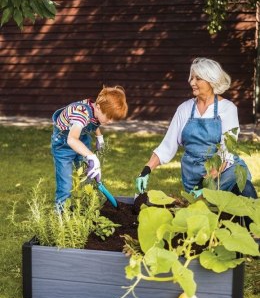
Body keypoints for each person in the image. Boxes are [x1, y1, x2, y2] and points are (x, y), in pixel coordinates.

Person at [136, 57, 257, 200]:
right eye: (191, 78)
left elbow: (226, 153)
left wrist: (206, 184)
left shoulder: (227, 109)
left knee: (247, 193)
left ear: (211, 81)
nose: (192, 82)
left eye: (198, 79)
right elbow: (167, 146)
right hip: (194, 177)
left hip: (224, 174)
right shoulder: (185, 109)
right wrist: (146, 170)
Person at [51, 85, 128, 210]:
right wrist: (91, 156)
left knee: (88, 178)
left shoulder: (95, 108)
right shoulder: (80, 113)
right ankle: (61, 217)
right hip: (64, 146)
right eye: (109, 117)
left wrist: (99, 137)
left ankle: (87, 211)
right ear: (98, 107)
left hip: (81, 141)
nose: (110, 121)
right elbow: (72, 139)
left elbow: (94, 121)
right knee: (65, 185)